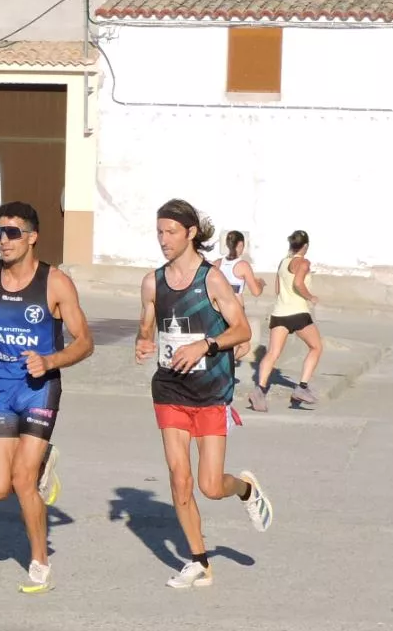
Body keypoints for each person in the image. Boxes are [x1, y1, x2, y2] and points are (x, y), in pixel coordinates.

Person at [135, 199, 273, 589]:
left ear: (191, 233)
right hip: (169, 389)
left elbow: (242, 330)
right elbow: (146, 328)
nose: (163, 240)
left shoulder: (211, 279)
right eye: (159, 232)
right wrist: (142, 343)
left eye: (171, 232)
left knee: (210, 486)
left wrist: (205, 346)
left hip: (210, 393)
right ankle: (199, 562)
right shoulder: (153, 282)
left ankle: (245, 488)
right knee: (180, 479)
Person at [0, 201, 94, 594]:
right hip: (2, 389)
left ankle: (39, 561)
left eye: (12, 233)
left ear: (32, 238)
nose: (3, 241)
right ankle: (42, 466)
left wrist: (50, 360)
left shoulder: (55, 284)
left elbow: (85, 342)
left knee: (22, 480)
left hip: (40, 388)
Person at [249, 230, 322, 411]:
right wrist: (310, 297)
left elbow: (277, 289)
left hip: (279, 313)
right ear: (305, 246)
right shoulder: (304, 263)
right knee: (316, 347)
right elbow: (298, 283)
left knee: (273, 352)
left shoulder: (283, 263)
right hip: (298, 313)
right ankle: (302, 388)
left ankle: (259, 391)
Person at [212, 230, 266, 362]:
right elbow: (256, 292)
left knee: (244, 345)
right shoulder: (242, 265)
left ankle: (223, 366)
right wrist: (261, 284)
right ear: (240, 245)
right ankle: (224, 369)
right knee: (236, 343)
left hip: (218, 307)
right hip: (236, 308)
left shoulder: (217, 263)